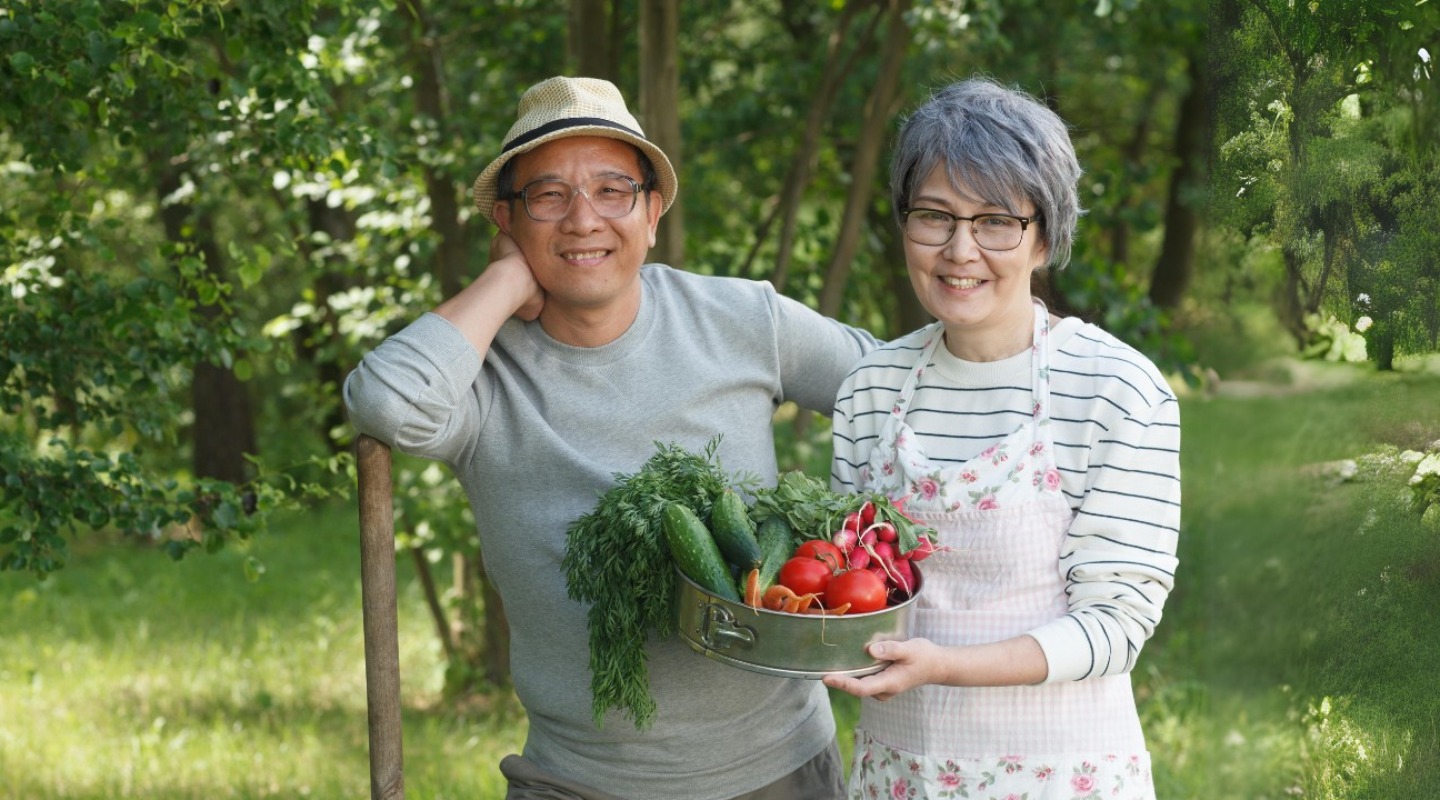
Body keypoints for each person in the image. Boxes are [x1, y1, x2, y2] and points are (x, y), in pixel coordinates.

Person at [344, 75, 878, 800]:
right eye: (549, 196)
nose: (583, 219)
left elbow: (898, 390)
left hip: (779, 770)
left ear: (652, 213)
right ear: (508, 220)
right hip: (576, 783)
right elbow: (383, 402)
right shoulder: (481, 375)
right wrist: (503, 284)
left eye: (612, 190)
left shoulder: (743, 320)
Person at [823, 77, 1180, 799]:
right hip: (901, 774)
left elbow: (1115, 627)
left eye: (995, 222)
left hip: (1065, 777)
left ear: (1043, 236)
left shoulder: (1115, 390)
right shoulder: (871, 388)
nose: (960, 250)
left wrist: (946, 666)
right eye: (935, 217)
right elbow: (853, 584)